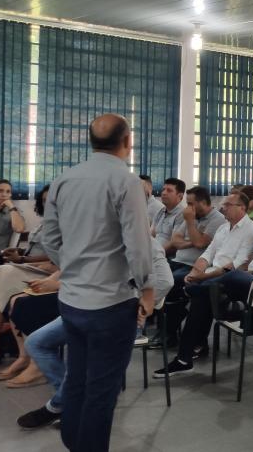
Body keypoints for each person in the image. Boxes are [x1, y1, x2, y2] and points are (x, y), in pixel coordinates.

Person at [39, 114, 153, 452]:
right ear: (127, 141)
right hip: (111, 303)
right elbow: (138, 244)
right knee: (101, 391)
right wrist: (147, 287)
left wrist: (73, 268)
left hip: (72, 300)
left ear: (90, 141)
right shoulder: (126, 181)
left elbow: (49, 239)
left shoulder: (64, 179)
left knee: (77, 379)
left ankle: (73, 443)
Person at [16, 236, 173, 430]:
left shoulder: (144, 243)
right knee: (36, 343)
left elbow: (166, 281)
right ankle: (70, 402)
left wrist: (141, 306)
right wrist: (54, 281)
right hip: (83, 308)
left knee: (88, 361)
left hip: (120, 315)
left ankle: (58, 406)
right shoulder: (96, 235)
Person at [156, 200, 253, 377]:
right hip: (248, 282)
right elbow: (247, 263)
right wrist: (246, 271)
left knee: (226, 279)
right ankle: (184, 359)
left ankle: (191, 291)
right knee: (204, 298)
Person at [0, 184, 54, 369]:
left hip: (46, 269)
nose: (47, 203)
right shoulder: (45, 221)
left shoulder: (65, 222)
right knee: (0, 276)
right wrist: (21, 254)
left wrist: (24, 259)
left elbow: (56, 256)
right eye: (44, 200)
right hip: (27, 262)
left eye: (51, 200)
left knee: (1, 272)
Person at [160, 185, 226, 346]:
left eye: (191, 203)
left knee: (170, 283)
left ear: (203, 203)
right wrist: (192, 242)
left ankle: (169, 334)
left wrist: (190, 223)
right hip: (177, 260)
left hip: (193, 266)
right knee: (156, 277)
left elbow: (201, 243)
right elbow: (175, 240)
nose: (188, 208)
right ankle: (167, 331)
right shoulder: (193, 216)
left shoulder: (216, 219)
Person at [151, 177, 186, 252]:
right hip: (153, 252)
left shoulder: (182, 214)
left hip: (167, 257)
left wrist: (156, 254)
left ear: (180, 196)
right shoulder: (160, 212)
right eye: (163, 189)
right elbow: (151, 235)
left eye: (169, 190)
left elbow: (173, 244)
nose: (164, 193)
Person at [0, 179, 25, 255]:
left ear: (10, 195)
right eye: (0, 191)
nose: (4, 194)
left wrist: (11, 206)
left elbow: (19, 229)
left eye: (8, 192)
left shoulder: (13, 211)